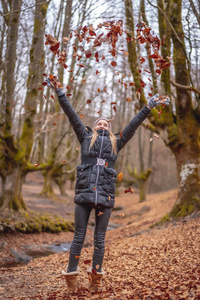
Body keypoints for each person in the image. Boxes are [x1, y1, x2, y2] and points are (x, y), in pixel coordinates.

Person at [45, 77, 170, 292]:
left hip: (105, 196)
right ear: (94, 128)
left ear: (110, 129)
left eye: (106, 124)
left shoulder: (116, 142)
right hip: (84, 194)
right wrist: (60, 93)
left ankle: (95, 280)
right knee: (79, 237)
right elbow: (71, 115)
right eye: (99, 123)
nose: (102, 125)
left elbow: (133, 125)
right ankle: (71, 279)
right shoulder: (85, 137)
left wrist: (148, 106)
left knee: (100, 240)